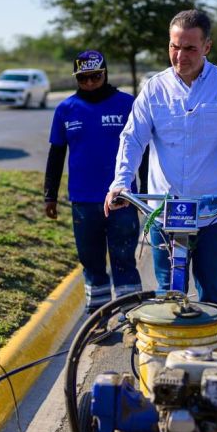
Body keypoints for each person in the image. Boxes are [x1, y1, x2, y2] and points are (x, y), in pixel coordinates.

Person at [104, 9, 217, 307]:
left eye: (190, 48)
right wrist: (121, 182)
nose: (180, 56)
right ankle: (167, 352)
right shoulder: (154, 88)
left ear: (207, 47)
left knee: (210, 290)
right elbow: (133, 137)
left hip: (212, 211)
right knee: (166, 293)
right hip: (164, 211)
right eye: (174, 46)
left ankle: (210, 350)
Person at [45, 50, 142, 311]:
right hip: (83, 201)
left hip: (123, 199)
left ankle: (130, 315)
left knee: (123, 259)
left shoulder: (127, 104)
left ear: (105, 74)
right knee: (91, 262)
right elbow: (56, 154)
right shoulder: (66, 110)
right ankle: (98, 318)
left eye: (95, 77)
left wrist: (144, 193)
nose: (89, 83)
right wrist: (49, 195)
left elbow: (143, 150)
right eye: (83, 78)